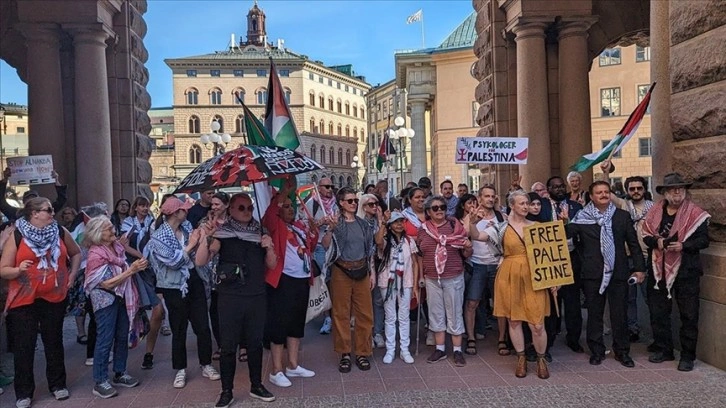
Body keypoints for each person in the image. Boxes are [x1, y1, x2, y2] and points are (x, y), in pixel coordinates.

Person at [195, 193, 277, 406]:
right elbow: (201, 260)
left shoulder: (260, 231)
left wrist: (268, 247)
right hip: (230, 297)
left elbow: (272, 264)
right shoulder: (222, 233)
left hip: (256, 295)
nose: (247, 212)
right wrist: (207, 238)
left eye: (250, 208)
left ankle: (256, 385)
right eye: (242, 208)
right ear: (230, 210)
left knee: (255, 344)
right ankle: (227, 390)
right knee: (229, 346)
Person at [0, 197, 82, 407]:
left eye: (52, 209)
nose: (52, 213)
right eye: (48, 210)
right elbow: (3, 269)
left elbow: (76, 253)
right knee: (24, 346)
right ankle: (24, 392)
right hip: (24, 298)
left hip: (54, 295)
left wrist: (72, 275)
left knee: (53, 341)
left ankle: (58, 385)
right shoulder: (17, 235)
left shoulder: (60, 232)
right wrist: (19, 270)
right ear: (34, 213)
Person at [469, 191, 553, 379]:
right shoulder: (501, 228)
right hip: (509, 274)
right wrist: (472, 222)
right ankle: (521, 358)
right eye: (522, 203)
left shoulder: (538, 226)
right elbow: (477, 236)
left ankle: (541, 358)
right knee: (514, 320)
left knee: (537, 323)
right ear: (512, 205)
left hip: (534, 277)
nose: (526, 206)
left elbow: (549, 257)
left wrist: (553, 281)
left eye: (527, 203)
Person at [563, 181, 646, 367]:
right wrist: (564, 221)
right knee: (594, 314)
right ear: (591, 197)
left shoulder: (622, 217)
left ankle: (622, 352)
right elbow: (563, 234)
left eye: (606, 192)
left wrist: (640, 268)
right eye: (598, 192)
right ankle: (597, 351)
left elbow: (633, 244)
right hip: (592, 273)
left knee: (619, 314)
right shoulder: (582, 218)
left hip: (618, 272)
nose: (603, 195)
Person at [147, 197, 220, 389]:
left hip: (194, 281)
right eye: (183, 209)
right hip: (173, 287)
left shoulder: (188, 228)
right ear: (174, 213)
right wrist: (191, 245)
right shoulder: (158, 236)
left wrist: (205, 239)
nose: (186, 211)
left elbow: (200, 254)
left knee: (203, 326)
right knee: (178, 329)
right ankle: (180, 369)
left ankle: (206, 364)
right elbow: (173, 262)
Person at [642, 173, 710, 372]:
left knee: (689, 315)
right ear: (664, 193)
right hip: (658, 271)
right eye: (673, 189)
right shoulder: (654, 212)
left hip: (686, 272)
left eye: (681, 188)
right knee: (658, 313)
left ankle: (688, 356)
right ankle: (665, 349)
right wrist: (658, 242)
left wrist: (684, 245)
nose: (677, 192)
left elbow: (704, 241)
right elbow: (646, 236)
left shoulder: (696, 214)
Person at [262, 179, 319, 388]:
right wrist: (283, 193)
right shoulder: (275, 225)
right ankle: (276, 370)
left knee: (296, 323)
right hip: (282, 281)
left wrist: (314, 231)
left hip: (301, 280)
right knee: (279, 325)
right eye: (285, 207)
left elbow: (310, 247)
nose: (290, 209)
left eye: (291, 206)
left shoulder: (298, 226)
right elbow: (269, 215)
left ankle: (293, 365)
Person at [83, 216, 146, 398]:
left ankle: (120, 372)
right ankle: (100, 380)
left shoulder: (116, 247)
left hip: (121, 296)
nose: (113, 231)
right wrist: (131, 270)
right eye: (108, 229)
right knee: (105, 339)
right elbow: (106, 284)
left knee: (121, 335)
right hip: (105, 300)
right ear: (98, 234)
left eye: (112, 227)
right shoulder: (96, 254)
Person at [322, 187, 375, 373]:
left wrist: (372, 273)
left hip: (362, 269)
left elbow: (370, 251)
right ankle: (344, 353)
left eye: (355, 200)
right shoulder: (337, 223)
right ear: (341, 203)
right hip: (341, 270)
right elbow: (326, 244)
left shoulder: (363, 224)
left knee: (364, 314)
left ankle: (362, 352)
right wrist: (330, 228)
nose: (353, 203)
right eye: (350, 200)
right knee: (341, 314)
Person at [600, 160, 654, 342]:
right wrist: (606, 173)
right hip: (629, 258)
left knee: (651, 297)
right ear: (628, 191)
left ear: (644, 188)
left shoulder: (654, 208)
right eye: (632, 189)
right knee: (629, 298)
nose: (636, 191)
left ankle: (657, 332)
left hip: (649, 258)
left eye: (639, 188)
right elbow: (606, 192)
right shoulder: (624, 205)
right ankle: (633, 329)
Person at [417, 195, 472, 367]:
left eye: (442, 207)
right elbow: (420, 253)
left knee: (454, 313)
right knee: (436, 313)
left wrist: (468, 248)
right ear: (428, 212)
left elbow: (466, 253)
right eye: (435, 208)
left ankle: (457, 350)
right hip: (432, 278)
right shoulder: (423, 230)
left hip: (453, 276)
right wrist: (421, 276)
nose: (439, 210)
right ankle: (440, 348)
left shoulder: (455, 226)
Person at [539, 176, 584, 353]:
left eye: (561, 186)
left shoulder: (576, 207)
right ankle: (548, 340)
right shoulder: (541, 206)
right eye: (554, 187)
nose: (558, 189)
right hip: (549, 259)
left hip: (571, 256)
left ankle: (573, 338)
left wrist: (568, 223)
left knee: (572, 301)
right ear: (548, 189)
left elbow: (581, 229)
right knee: (551, 300)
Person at [121, 196, 166, 370]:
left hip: (152, 268)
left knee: (158, 308)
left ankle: (149, 352)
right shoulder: (128, 223)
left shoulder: (152, 223)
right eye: (141, 205)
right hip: (136, 268)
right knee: (138, 306)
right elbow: (124, 245)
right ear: (135, 207)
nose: (144, 209)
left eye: (146, 205)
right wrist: (142, 257)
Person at [464, 186, 506, 356]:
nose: (490, 199)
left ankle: (502, 339)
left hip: (497, 264)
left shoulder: (501, 216)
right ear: (479, 198)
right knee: (472, 302)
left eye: (492, 196)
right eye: (486, 196)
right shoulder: (471, 216)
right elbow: (466, 235)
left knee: (500, 304)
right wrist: (472, 222)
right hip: (477, 264)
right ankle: (471, 337)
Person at [375, 211, 419, 364]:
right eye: (396, 222)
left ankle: (404, 349)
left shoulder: (408, 241)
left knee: (404, 316)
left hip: (405, 281)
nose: (399, 224)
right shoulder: (386, 240)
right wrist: (382, 224)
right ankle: (390, 349)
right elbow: (378, 242)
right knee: (390, 316)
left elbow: (414, 263)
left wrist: (415, 284)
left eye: (401, 221)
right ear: (390, 225)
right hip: (387, 281)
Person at [306, 177, 337, 335]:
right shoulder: (312, 204)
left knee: (334, 281)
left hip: (334, 246)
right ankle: (326, 316)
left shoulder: (336, 204)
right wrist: (319, 223)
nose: (330, 189)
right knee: (323, 281)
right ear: (319, 187)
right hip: (318, 246)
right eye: (326, 186)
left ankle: (334, 314)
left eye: (331, 186)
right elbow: (306, 226)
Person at [356, 194, 387, 349]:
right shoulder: (358, 222)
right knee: (364, 301)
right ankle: (366, 333)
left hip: (379, 262)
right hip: (363, 264)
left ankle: (378, 332)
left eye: (376, 203)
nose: (375, 206)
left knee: (378, 300)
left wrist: (381, 221)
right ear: (363, 206)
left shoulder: (378, 222)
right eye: (370, 204)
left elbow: (381, 242)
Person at [0, 168, 68, 222]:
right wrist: (5, 179)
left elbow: (61, 200)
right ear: (24, 203)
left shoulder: (46, 211)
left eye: (35, 199)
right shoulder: (16, 214)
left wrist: (56, 180)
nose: (32, 202)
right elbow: (1, 202)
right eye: (29, 199)